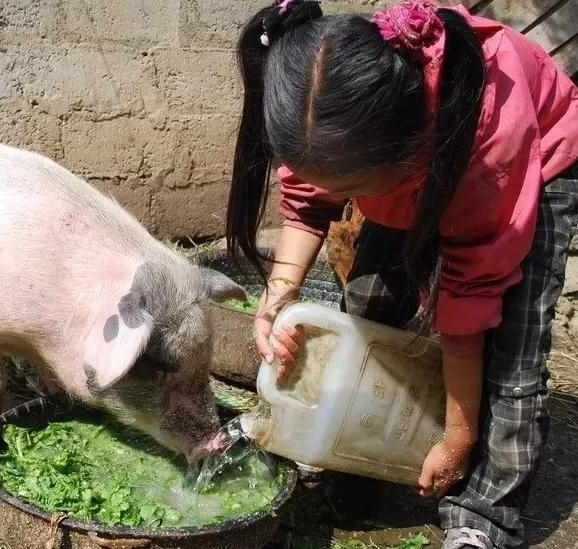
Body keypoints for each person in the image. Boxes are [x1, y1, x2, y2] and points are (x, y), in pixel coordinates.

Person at [224, 1, 578, 548]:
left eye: (348, 192)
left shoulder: (485, 144)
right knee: (368, 305)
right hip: (410, 163)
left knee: (512, 349)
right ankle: (362, 457)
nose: (337, 201)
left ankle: (483, 514)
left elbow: (469, 298)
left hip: (533, 159)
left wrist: (460, 436)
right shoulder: (321, 109)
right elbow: (305, 206)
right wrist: (277, 299)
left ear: (400, 156)